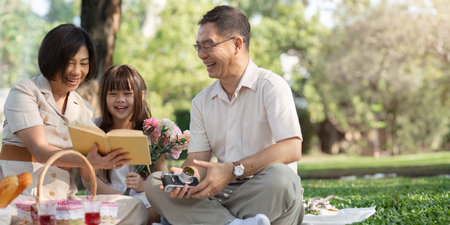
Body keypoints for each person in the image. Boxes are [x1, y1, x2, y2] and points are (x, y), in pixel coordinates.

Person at [145, 5, 304, 225]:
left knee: (283, 178)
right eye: (198, 47)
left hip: (263, 191)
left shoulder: (272, 87)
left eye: (208, 46)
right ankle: (237, 223)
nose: (201, 55)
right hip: (219, 192)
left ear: (237, 44)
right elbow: (196, 161)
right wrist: (187, 177)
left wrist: (232, 171)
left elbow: (292, 148)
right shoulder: (202, 101)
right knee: (154, 183)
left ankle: (208, 220)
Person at [0, 24, 147, 224]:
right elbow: (41, 150)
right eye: (69, 63)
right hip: (23, 197)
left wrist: (98, 160)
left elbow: (88, 170)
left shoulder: (82, 107)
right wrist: (87, 160)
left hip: (63, 202)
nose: (77, 71)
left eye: (84, 63)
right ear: (51, 59)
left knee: (134, 207)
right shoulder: (26, 91)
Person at [90, 64, 167, 224]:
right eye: (113, 94)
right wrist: (118, 199)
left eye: (127, 93)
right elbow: (87, 178)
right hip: (105, 197)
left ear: (141, 96)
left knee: (160, 211)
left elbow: (162, 180)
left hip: (140, 200)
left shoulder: (150, 132)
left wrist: (143, 185)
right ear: (104, 96)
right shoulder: (95, 128)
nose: (120, 100)